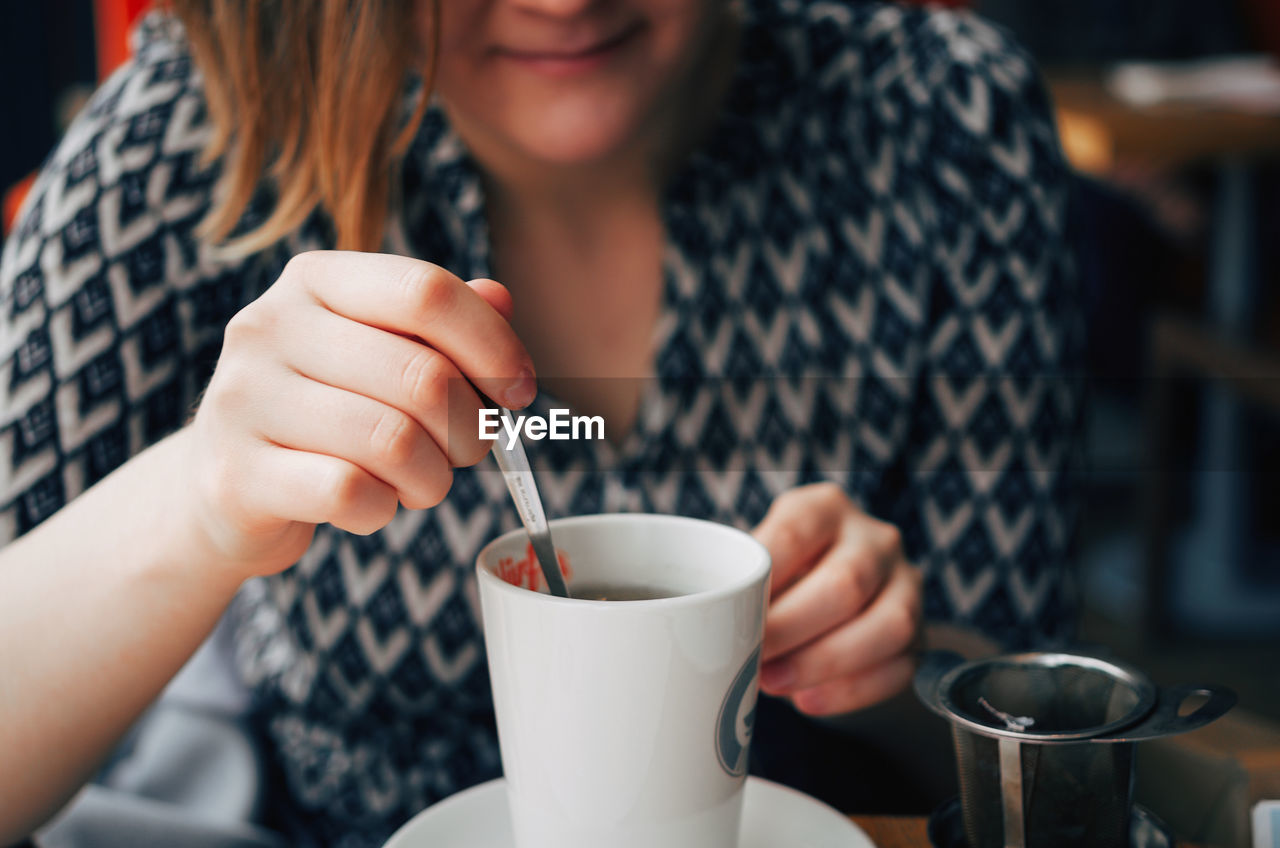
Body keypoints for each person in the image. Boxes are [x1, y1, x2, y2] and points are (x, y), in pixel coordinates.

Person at [0, 0, 1080, 845]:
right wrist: (197, 498)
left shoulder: (941, 120)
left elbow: (1044, 749)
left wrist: (891, 662)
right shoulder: (210, 128)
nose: (563, 2)